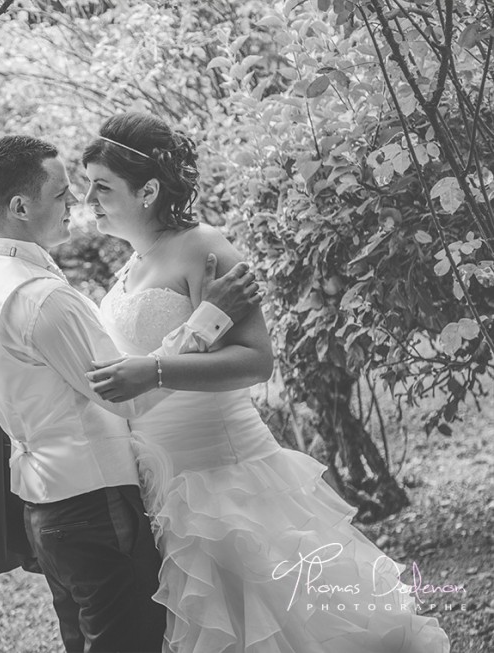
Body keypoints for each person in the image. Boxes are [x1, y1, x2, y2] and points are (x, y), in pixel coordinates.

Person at [83, 112, 451, 652]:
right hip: (166, 482)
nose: (87, 197)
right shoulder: (127, 270)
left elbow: (256, 361)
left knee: (287, 623)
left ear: (148, 190)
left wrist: (155, 370)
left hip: (227, 473)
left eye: (101, 185)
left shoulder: (204, 248)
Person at [0, 134, 261, 652]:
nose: (77, 204)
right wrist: (206, 319)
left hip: (45, 506)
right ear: (20, 206)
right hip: (94, 508)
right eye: (63, 194)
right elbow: (128, 395)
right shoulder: (43, 298)